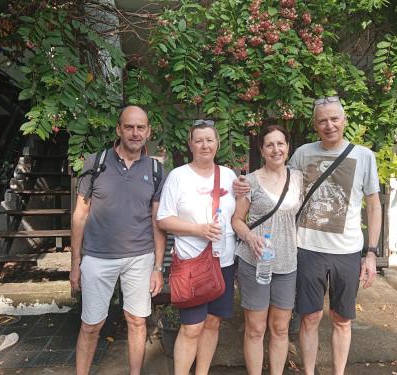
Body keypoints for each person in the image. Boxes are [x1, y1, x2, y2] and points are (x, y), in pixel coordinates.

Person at [234, 96, 382, 375]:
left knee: (342, 319)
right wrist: (242, 184)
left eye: (334, 119)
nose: (329, 125)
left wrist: (371, 253)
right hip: (307, 248)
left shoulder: (364, 156)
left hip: (347, 249)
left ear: (344, 120)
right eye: (322, 120)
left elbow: (374, 205)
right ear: (315, 125)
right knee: (309, 317)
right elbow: (273, 180)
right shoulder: (303, 154)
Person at [70, 105, 166, 375]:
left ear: (148, 131)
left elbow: (157, 222)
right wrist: (76, 262)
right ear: (119, 129)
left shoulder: (157, 170)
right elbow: (80, 214)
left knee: (137, 321)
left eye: (141, 127)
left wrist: (158, 268)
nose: (135, 133)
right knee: (91, 325)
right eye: (129, 127)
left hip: (140, 257)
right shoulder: (96, 162)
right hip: (98, 258)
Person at [156, 119, 237, 375]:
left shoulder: (229, 175)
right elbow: (164, 219)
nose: (205, 145)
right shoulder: (178, 177)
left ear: (217, 143)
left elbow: (238, 216)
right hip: (191, 263)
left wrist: (244, 195)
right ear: (190, 144)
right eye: (199, 140)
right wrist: (198, 229)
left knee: (213, 323)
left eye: (209, 140)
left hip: (223, 261)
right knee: (191, 328)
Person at [231, 125, 303, 375]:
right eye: (270, 144)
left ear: (288, 147)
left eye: (280, 143)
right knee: (255, 328)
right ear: (261, 150)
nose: (276, 149)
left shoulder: (298, 178)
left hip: (286, 263)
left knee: (281, 328)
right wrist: (251, 238)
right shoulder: (249, 182)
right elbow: (236, 220)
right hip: (255, 262)